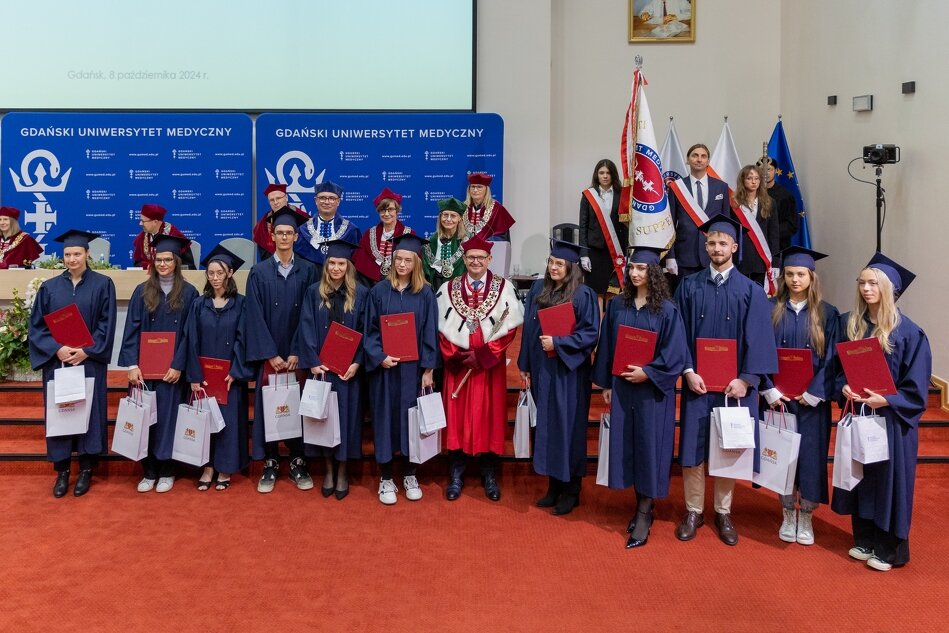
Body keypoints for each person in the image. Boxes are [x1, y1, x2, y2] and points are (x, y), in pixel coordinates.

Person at [674, 214, 778, 546]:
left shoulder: (751, 291)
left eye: (722, 243)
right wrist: (687, 371)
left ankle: (723, 510)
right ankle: (693, 509)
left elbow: (760, 339)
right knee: (694, 448)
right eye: (711, 243)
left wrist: (747, 379)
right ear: (704, 246)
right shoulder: (689, 287)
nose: (716, 248)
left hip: (736, 388)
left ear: (735, 246)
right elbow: (678, 336)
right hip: (698, 385)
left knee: (728, 448)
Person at [834, 253, 931, 572]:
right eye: (861, 282)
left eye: (873, 282)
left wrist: (887, 400)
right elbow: (839, 372)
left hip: (892, 422)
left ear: (889, 288)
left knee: (889, 482)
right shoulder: (853, 325)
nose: (865, 288)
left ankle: (890, 548)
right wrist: (844, 388)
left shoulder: (909, 333)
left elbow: (916, 390)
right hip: (861, 416)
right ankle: (864, 538)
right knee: (862, 478)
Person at [591, 246, 688, 548]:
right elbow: (607, 344)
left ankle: (645, 512)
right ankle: (640, 504)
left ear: (654, 273)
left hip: (652, 393)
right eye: (631, 268)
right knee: (630, 446)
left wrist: (649, 373)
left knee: (649, 447)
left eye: (641, 269)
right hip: (622, 388)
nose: (634, 273)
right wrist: (607, 382)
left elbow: (675, 354)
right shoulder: (618, 306)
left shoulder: (667, 310)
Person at [759, 247, 839, 545]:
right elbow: (757, 350)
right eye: (790, 274)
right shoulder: (769, 308)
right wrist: (768, 388)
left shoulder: (827, 313)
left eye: (801, 274)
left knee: (810, 457)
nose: (795, 280)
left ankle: (806, 514)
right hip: (779, 398)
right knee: (781, 455)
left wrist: (816, 392)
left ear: (811, 277)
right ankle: (786, 512)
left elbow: (832, 358)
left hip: (811, 402)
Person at [28, 230, 116, 497]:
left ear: (87, 254)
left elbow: (106, 324)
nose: (72, 259)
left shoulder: (103, 284)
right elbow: (37, 327)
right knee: (62, 412)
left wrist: (87, 351)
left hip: (88, 362)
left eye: (77, 254)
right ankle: (63, 471)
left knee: (89, 412)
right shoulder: (50, 287)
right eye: (67, 254)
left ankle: (86, 470)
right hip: (60, 363)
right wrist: (58, 349)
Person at [439, 235, 524, 502]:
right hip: (458, 367)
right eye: (471, 257)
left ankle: (489, 473)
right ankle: (456, 471)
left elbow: (508, 328)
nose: (476, 262)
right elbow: (440, 328)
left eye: (481, 257)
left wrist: (485, 356)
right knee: (457, 416)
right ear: (464, 260)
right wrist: (459, 356)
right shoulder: (448, 288)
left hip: (488, 369)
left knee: (490, 416)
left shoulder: (503, 288)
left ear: (489, 259)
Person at [518, 240, 598, 514]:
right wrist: (525, 364)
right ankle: (553, 485)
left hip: (570, 373)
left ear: (571, 267)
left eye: (559, 264)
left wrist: (560, 344)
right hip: (543, 370)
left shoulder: (583, 294)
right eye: (551, 262)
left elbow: (590, 334)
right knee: (548, 427)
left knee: (569, 428)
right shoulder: (538, 290)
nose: (553, 267)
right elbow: (529, 330)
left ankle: (571, 489)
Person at [244, 207, 318, 493]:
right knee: (271, 406)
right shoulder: (259, 272)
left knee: (297, 405)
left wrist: (299, 350)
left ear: (296, 236)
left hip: (297, 354)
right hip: (271, 356)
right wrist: (270, 354)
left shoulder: (308, 271)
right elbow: (253, 315)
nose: (284, 236)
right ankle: (272, 461)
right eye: (279, 233)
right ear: (272, 236)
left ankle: (299, 460)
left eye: (289, 232)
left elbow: (311, 315)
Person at [120, 234, 199, 493]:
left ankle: (167, 469)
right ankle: (149, 469)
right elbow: (131, 330)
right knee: (146, 420)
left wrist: (178, 365)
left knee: (168, 419)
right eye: (158, 259)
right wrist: (132, 365)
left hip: (171, 372)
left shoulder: (189, 293)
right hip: (144, 371)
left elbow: (190, 334)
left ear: (177, 262)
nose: (163, 264)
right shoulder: (141, 292)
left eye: (168, 259)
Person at [363, 233, 438, 505]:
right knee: (384, 419)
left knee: (410, 421)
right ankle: (385, 478)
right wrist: (379, 355)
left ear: (416, 263)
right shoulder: (378, 292)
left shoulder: (425, 293)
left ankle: (409, 474)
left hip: (413, 371)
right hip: (385, 369)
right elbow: (368, 331)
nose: (402, 264)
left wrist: (428, 368)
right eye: (398, 259)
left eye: (408, 260)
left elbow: (430, 332)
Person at [298, 240, 368, 501]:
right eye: (332, 264)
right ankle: (328, 468)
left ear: (348, 266)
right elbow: (305, 328)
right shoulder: (313, 292)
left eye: (341, 264)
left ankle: (343, 470)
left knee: (347, 421)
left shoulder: (361, 294)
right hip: (322, 372)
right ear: (326, 266)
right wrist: (313, 361)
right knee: (323, 421)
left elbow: (366, 331)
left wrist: (357, 362)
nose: (336, 268)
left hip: (348, 373)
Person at [184, 244, 253, 491]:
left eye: (219, 273)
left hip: (229, 376)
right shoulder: (198, 304)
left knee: (228, 422)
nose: (214, 278)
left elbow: (244, 339)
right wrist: (193, 374)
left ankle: (224, 467)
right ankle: (208, 467)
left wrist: (236, 370)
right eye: (211, 273)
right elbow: (190, 339)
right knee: (205, 421)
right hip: (203, 376)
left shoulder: (242, 304)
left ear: (230, 273)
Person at [665, 143, 730, 292]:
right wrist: (670, 256)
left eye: (703, 156)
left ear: (708, 161)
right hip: (684, 256)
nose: (699, 159)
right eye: (695, 155)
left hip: (714, 255)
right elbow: (669, 224)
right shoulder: (677, 187)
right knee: (683, 300)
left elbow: (725, 225)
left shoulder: (721, 187)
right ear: (688, 160)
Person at [577, 159, 628, 302]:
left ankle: (610, 324)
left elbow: (626, 225)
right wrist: (584, 254)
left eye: (608, 173)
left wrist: (627, 252)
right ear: (596, 175)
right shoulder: (588, 196)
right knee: (597, 293)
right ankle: (598, 324)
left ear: (613, 175)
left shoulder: (622, 194)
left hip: (616, 252)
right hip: (595, 251)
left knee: (614, 292)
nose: (605, 176)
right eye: (601, 173)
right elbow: (583, 226)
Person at [352, 187, 414, 285]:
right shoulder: (369, 234)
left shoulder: (409, 234)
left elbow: (414, 266)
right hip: (371, 286)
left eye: (390, 210)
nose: (386, 214)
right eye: (382, 210)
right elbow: (360, 263)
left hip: (400, 285)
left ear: (397, 210)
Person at [295, 181, 361, 271]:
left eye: (332, 198)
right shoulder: (303, 230)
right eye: (322, 198)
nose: (326, 202)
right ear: (316, 201)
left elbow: (355, 263)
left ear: (338, 201)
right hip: (310, 279)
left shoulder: (351, 230)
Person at [732, 165, 779, 289]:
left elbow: (774, 235)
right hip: (740, 258)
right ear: (742, 181)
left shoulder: (769, 202)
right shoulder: (734, 203)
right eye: (749, 178)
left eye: (757, 178)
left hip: (761, 258)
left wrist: (775, 262)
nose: (753, 182)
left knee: (758, 295)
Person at [252, 183, 310, 262]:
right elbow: (264, 253)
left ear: (286, 197)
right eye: (272, 200)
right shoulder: (263, 224)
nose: (275, 202)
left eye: (278, 198)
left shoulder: (303, 217)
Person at [132, 203, 196, 270]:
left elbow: (188, 265)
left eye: (143, 221)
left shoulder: (174, 234)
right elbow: (137, 263)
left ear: (155, 222)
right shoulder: (142, 237)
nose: (140, 224)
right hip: (148, 276)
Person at [422, 197, 467, 290]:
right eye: (445, 215)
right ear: (440, 217)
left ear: (460, 218)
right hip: (434, 289)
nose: (448, 219)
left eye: (453, 216)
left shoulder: (468, 242)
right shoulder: (429, 243)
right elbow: (424, 272)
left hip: (459, 290)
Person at [756, 156, 798, 252]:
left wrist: (769, 232)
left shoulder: (785, 196)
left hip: (778, 247)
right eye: (762, 169)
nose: (765, 173)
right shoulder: (751, 194)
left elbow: (791, 225)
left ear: (775, 170)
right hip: (755, 245)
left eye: (769, 169)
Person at [463, 173, 515, 242]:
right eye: (473, 187)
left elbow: (502, 236)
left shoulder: (497, 209)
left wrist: (484, 243)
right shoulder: (462, 207)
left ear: (486, 190)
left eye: (479, 187)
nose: (475, 190)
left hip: (489, 250)